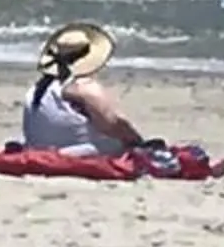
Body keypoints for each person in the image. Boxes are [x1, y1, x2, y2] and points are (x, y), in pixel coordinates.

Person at [23, 23, 148, 157]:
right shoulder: (81, 86)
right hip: (76, 151)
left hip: (37, 148)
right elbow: (113, 122)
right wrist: (138, 141)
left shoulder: (36, 89)